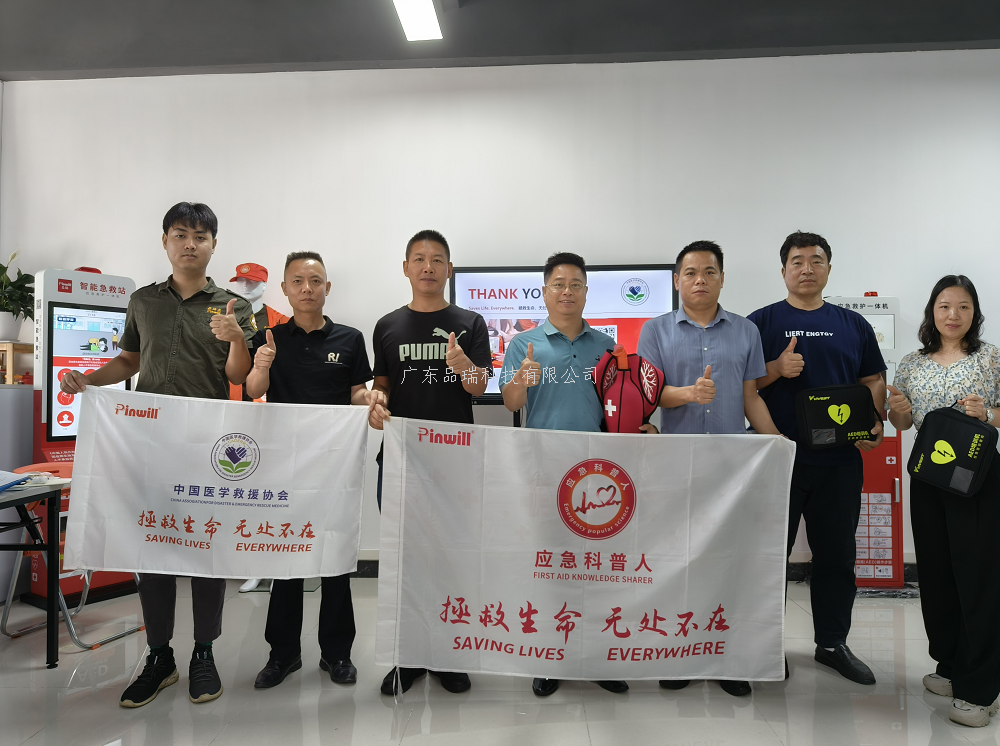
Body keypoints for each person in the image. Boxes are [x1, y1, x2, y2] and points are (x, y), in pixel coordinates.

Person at [59, 202, 255, 707]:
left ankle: (204, 653)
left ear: (214, 245)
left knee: (207, 550)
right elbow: (129, 359)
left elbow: (239, 376)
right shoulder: (143, 301)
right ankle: (160, 656)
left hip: (207, 444)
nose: (190, 244)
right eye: (180, 234)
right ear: (165, 240)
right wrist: (88, 380)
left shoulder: (233, 305)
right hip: (150, 443)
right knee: (154, 547)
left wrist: (237, 339)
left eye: (200, 236)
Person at [637, 240, 781, 698]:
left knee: (729, 561)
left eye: (709, 272)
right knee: (678, 562)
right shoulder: (655, 330)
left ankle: (729, 656)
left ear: (721, 278)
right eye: (691, 272)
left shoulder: (746, 331)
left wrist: (779, 443)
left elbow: (751, 397)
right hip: (676, 464)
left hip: (731, 467)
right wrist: (688, 394)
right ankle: (680, 652)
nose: (700, 279)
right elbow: (649, 395)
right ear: (677, 280)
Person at [748, 231, 885, 685]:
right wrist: (776, 369)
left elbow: (872, 381)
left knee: (837, 556)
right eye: (797, 260)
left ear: (828, 267)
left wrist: (875, 423)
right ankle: (767, 646)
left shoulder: (853, 325)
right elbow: (742, 386)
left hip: (841, 461)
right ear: (783, 269)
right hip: (778, 459)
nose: (807, 268)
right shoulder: (760, 323)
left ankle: (832, 643)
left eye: (816, 260)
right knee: (771, 556)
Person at [245, 251, 384, 690]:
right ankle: (282, 654)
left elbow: (356, 392)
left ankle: (337, 653)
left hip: (336, 462)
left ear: (327, 288)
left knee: (336, 558)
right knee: (285, 557)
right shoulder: (268, 336)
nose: (307, 288)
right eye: (298, 281)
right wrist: (262, 365)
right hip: (284, 464)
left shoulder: (349, 338)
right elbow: (252, 389)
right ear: (285, 289)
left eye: (316, 280)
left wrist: (370, 398)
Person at [499, 251, 631, 698]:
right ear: (544, 291)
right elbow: (512, 403)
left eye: (575, 284)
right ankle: (549, 657)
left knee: (597, 568)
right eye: (558, 284)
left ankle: (596, 656)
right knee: (550, 566)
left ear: (586, 292)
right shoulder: (524, 343)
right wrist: (522, 378)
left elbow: (621, 403)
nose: (567, 292)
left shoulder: (607, 346)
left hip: (597, 472)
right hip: (543, 467)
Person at [368, 229, 492, 696]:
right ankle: (408, 656)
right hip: (401, 459)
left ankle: (448, 654)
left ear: (449, 269)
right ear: (406, 268)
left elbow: (479, 386)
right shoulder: (387, 325)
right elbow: (382, 384)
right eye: (419, 259)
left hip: (455, 459)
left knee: (451, 558)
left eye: (437, 259)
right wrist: (376, 402)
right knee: (406, 561)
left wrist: (462, 366)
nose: (427, 267)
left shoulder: (470, 322)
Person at [887, 275, 1000, 728]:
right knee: (938, 574)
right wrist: (897, 411)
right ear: (932, 312)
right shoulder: (912, 363)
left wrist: (988, 414)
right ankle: (952, 665)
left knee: (978, 577)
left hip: (977, 478)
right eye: (944, 306)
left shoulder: (990, 358)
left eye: (963, 306)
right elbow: (902, 421)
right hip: (928, 479)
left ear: (975, 312)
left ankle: (981, 687)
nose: (953, 315)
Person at [229, 261, 290, 595]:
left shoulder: (280, 322)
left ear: (266, 285)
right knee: (240, 491)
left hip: (270, 413)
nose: (245, 287)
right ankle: (249, 563)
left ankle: (271, 562)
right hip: (233, 410)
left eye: (251, 282)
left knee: (271, 489)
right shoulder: (225, 317)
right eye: (240, 281)